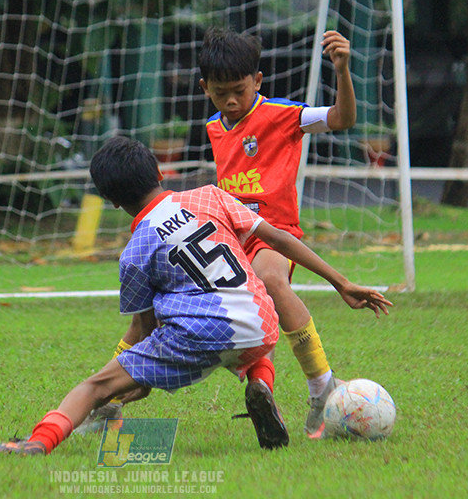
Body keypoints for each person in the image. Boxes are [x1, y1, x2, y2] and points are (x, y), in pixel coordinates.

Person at [0, 137, 391, 456]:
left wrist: (136, 379)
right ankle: (260, 382)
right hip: (262, 323)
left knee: (94, 387)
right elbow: (279, 238)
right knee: (250, 331)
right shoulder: (210, 196)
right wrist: (341, 282)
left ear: (112, 201)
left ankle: (38, 442)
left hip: (198, 336)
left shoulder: (134, 252)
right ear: (160, 172)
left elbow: (143, 329)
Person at [81, 27, 367, 439]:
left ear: (258, 81)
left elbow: (343, 118)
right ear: (204, 89)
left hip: (272, 232)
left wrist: (341, 71)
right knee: (156, 315)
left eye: (239, 90)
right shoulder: (215, 126)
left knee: (269, 280)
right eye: (220, 93)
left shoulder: (283, 114)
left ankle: (322, 386)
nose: (231, 100)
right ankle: (106, 404)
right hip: (226, 238)